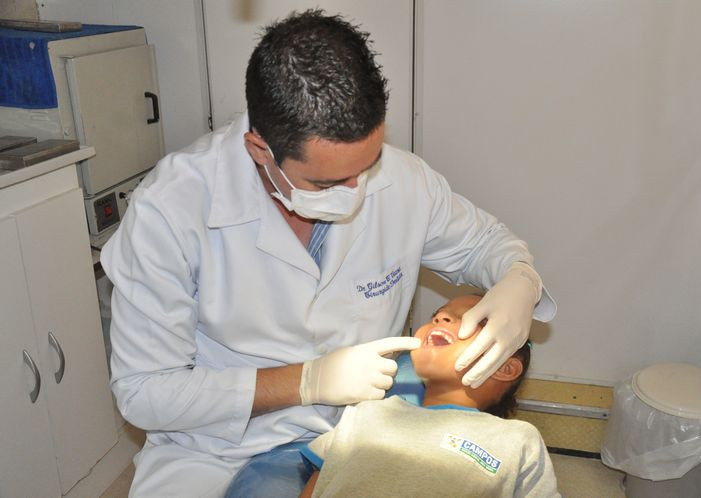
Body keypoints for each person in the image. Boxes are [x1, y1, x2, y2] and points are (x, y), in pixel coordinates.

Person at [101, 9, 555, 497]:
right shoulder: (170, 209)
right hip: (215, 445)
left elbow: (490, 245)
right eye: (328, 181)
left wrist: (519, 280)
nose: (358, 189)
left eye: (369, 163)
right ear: (260, 149)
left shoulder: (405, 181)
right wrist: (307, 381)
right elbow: (146, 393)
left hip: (365, 426)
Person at [297, 294, 560, 497]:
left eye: (470, 318)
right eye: (437, 314)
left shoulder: (517, 439)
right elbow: (320, 482)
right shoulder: (366, 412)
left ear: (505, 367)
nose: (441, 317)